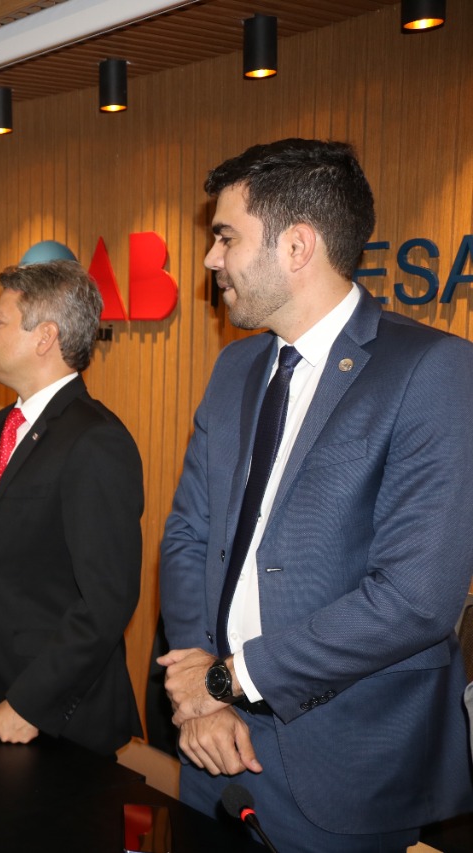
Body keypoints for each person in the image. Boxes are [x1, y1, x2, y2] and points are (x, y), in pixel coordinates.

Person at [159, 139, 473, 852]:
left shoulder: (432, 370)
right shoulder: (235, 367)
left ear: (297, 245)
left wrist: (227, 679)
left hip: (343, 762)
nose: (210, 259)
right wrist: (197, 685)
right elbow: (188, 535)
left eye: (226, 237)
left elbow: (415, 598)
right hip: (208, 739)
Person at [0, 261, 144, 755]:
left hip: (56, 711)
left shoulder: (95, 440)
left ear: (45, 337)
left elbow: (106, 601)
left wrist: (31, 703)